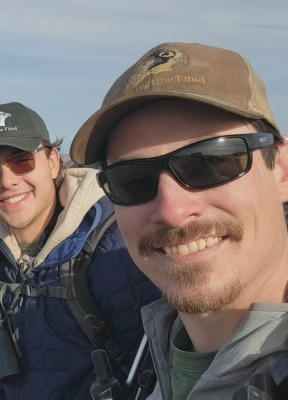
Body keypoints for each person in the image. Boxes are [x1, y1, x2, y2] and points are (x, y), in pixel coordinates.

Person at [71, 42, 288, 399]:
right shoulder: (148, 358)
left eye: (210, 161)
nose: (171, 210)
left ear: (280, 169)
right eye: (132, 180)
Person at [0, 101, 160, 399]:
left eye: (21, 160)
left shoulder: (112, 248)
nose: (7, 181)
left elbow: (156, 373)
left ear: (53, 161)